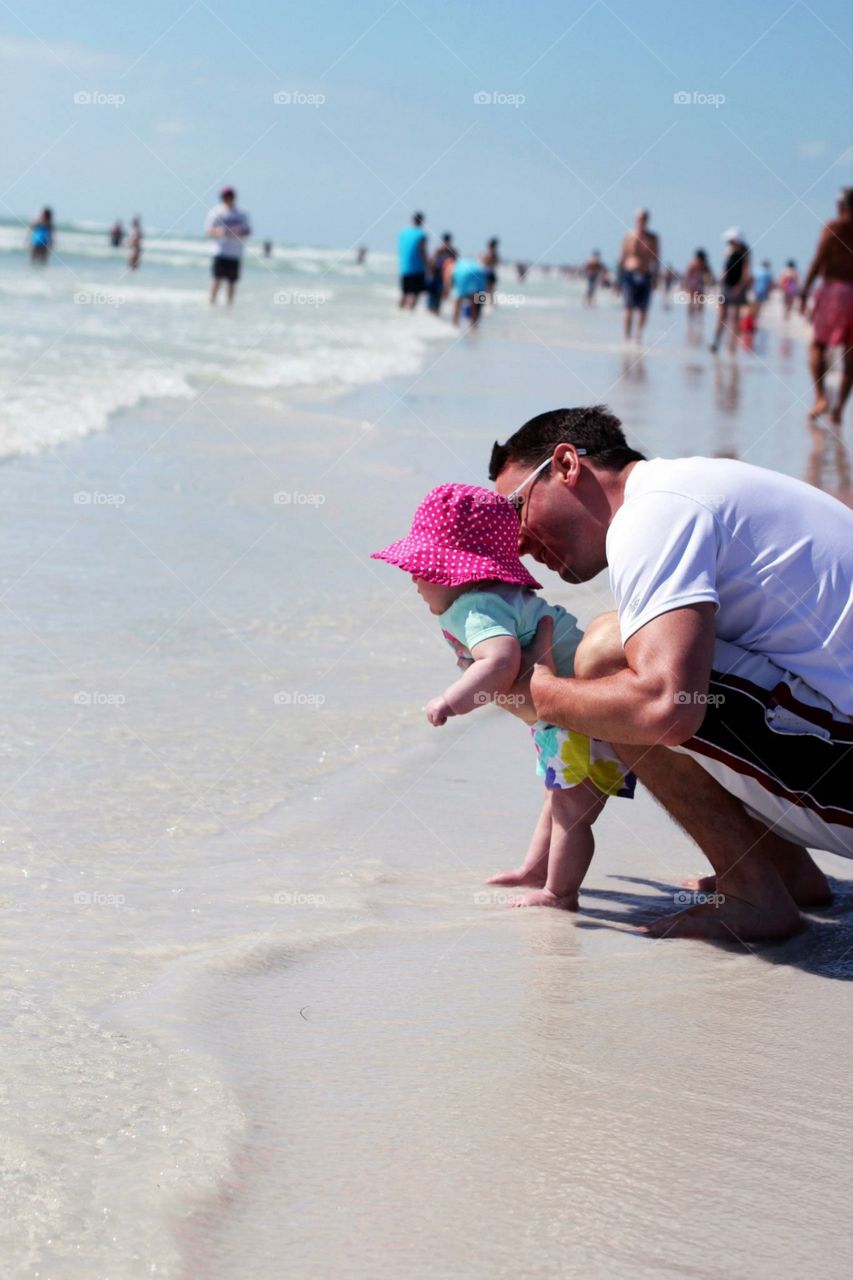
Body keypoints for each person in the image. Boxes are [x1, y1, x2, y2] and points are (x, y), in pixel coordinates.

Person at [489, 404, 853, 942]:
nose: (515, 542)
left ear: (566, 465)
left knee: (610, 656)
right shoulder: (690, 485)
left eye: (515, 510)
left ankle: (754, 894)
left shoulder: (652, 514)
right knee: (659, 649)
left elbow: (665, 707)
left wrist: (537, 692)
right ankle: (783, 873)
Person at [371, 484, 635, 909]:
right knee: (558, 797)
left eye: (423, 567)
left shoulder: (475, 608)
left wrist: (451, 701)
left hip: (578, 715)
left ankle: (560, 892)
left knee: (571, 811)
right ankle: (536, 870)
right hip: (579, 707)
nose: (414, 578)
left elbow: (500, 662)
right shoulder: (498, 599)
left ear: (459, 572)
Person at [801, 189, 853, 425]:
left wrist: (804, 291)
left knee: (817, 346)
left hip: (833, 292)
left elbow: (817, 260)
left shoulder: (833, 228)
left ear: (842, 206)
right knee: (849, 356)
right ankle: (839, 409)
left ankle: (821, 397)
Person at [618, 209, 660, 341]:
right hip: (629, 274)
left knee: (643, 309)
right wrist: (618, 280)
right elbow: (622, 258)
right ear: (635, 219)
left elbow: (656, 259)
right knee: (628, 307)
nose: (642, 221)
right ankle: (626, 337)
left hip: (646, 275)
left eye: (644, 218)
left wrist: (656, 278)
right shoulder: (628, 236)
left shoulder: (653, 238)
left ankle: (638, 335)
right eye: (640, 218)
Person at [205, 187, 251, 305]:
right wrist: (220, 231)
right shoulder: (216, 212)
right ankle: (211, 303)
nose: (227, 199)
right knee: (216, 280)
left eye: (229, 197)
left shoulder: (242, 213)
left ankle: (229, 306)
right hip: (220, 251)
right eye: (225, 197)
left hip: (235, 253)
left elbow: (248, 230)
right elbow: (208, 231)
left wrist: (238, 231)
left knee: (232, 283)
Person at [710, 228, 751, 354]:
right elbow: (725, 269)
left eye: (731, 241)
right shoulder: (729, 251)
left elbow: (745, 273)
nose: (730, 243)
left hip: (737, 288)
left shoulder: (745, 253)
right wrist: (718, 284)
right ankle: (716, 342)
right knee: (721, 316)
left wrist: (739, 287)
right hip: (726, 286)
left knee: (735, 318)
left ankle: (732, 346)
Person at [398, 212, 428, 309]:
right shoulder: (421, 234)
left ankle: (399, 311)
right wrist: (428, 265)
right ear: (422, 221)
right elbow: (422, 251)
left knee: (404, 292)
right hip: (418, 268)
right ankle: (411, 311)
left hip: (404, 268)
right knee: (416, 293)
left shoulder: (402, 233)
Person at [450, 256, 489, 327]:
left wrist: (447, 290)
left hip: (463, 275)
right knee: (477, 306)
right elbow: (485, 286)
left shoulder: (456, 266)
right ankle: (474, 325)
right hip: (479, 276)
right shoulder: (478, 267)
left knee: (458, 301)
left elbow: (452, 282)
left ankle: (455, 323)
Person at [426, 233, 456, 316]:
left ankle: (434, 311)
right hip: (437, 273)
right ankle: (431, 310)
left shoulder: (450, 251)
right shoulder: (442, 250)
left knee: (438, 293)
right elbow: (432, 262)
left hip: (443, 274)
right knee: (434, 293)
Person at [682, 249, 714, 316]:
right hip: (692, 287)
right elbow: (687, 277)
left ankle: (699, 317)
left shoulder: (705, 268)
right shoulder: (692, 266)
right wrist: (685, 286)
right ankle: (691, 319)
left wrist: (709, 288)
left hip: (700, 288)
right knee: (691, 304)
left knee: (700, 305)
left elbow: (708, 281)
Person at [480, 238, 500, 303]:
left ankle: (486, 302)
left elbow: (484, 262)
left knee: (486, 289)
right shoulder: (494, 254)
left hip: (487, 272)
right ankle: (490, 303)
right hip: (490, 272)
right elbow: (496, 263)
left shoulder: (490, 253)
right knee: (490, 290)